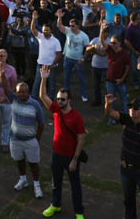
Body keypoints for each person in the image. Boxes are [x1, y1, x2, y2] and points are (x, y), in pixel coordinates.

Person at [39, 65, 85, 219]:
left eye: (62, 99)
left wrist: (75, 160)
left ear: (69, 100)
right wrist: (44, 79)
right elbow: (42, 96)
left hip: (71, 156)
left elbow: (81, 139)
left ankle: (79, 212)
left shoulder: (77, 117)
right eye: (58, 99)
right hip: (56, 154)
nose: (59, 101)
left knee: (75, 186)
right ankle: (55, 205)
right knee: (55, 183)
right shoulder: (56, 110)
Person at [105, 95, 140, 219]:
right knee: (128, 201)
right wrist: (108, 104)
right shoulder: (127, 120)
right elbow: (109, 112)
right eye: (130, 108)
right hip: (126, 170)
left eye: (135, 108)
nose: (132, 110)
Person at [8, 79, 45, 199]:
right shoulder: (14, 100)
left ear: (28, 92)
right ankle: (23, 179)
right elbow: (4, 88)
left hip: (30, 140)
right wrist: (2, 73)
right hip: (15, 139)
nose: (21, 94)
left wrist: (37, 139)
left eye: (24, 92)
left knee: (33, 164)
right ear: (16, 92)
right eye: (19, 92)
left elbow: (41, 123)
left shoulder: (35, 104)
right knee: (19, 160)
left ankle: (36, 185)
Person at [57, 9, 90, 102]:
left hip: (78, 60)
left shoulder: (84, 36)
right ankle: (67, 94)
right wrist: (59, 17)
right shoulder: (68, 31)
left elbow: (87, 49)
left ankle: (83, 94)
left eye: (73, 26)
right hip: (67, 58)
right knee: (66, 77)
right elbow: (59, 26)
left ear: (78, 26)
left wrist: (83, 59)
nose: (71, 27)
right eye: (70, 25)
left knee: (81, 78)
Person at [30, 10, 63, 100]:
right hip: (40, 64)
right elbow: (33, 29)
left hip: (50, 66)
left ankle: (50, 99)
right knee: (37, 82)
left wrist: (52, 65)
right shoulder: (40, 37)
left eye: (47, 30)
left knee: (52, 84)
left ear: (51, 31)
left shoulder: (55, 41)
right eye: (44, 30)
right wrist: (33, 19)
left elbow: (59, 54)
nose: (45, 32)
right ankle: (33, 98)